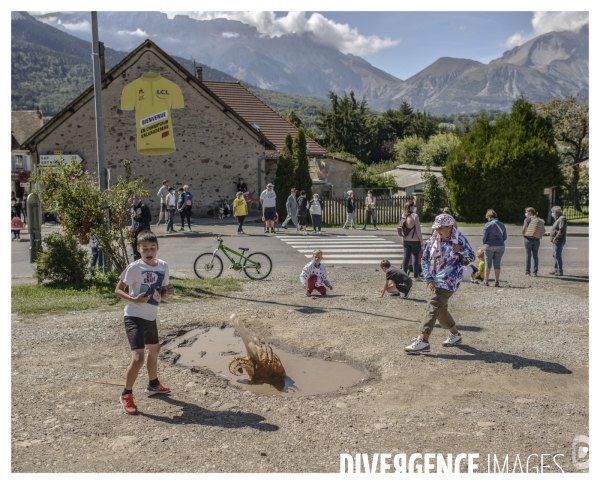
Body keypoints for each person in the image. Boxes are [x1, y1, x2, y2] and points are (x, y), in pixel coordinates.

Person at [114, 230, 175, 415]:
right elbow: (118, 290)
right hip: (134, 316)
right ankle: (126, 394)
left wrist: (166, 293)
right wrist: (134, 300)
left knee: (155, 349)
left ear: (158, 248)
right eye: (145, 248)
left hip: (150, 316)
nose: (149, 252)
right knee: (138, 358)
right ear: (138, 249)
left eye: (152, 248)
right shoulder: (134, 267)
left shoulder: (163, 266)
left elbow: (161, 293)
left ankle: (153, 384)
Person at [404, 213, 475, 353]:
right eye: (436, 228)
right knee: (441, 309)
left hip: (451, 280)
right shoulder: (434, 238)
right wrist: (429, 277)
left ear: (449, 227)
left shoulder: (459, 239)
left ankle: (423, 340)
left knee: (434, 304)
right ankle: (455, 335)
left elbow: (471, 256)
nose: (437, 231)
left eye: (440, 228)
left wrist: (461, 250)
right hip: (437, 278)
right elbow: (424, 259)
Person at [481, 209, 507, 287]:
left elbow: (484, 237)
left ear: (488, 217)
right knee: (497, 263)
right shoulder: (502, 224)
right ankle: (497, 281)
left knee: (488, 263)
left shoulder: (487, 225)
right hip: (500, 245)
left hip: (489, 245)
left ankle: (486, 280)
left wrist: (485, 244)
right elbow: (504, 237)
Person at [399, 200, 423, 279]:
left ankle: (404, 274)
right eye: (413, 206)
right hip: (415, 240)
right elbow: (418, 230)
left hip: (406, 239)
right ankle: (416, 275)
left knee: (406, 257)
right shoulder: (415, 216)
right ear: (411, 207)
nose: (414, 207)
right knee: (415, 258)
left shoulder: (403, 215)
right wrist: (421, 241)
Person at [522, 207, 545, 276]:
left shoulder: (527, 219)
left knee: (528, 255)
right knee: (535, 256)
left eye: (527, 212)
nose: (526, 213)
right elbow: (544, 231)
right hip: (537, 240)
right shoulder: (539, 220)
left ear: (530, 212)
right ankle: (535, 272)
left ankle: (528, 271)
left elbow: (523, 229)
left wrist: (523, 235)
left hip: (528, 239)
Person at [129, 195, 152, 261]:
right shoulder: (133, 206)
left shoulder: (143, 206)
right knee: (135, 248)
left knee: (144, 247)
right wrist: (132, 225)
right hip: (135, 230)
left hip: (143, 231)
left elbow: (148, 219)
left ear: (137, 198)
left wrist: (138, 218)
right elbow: (133, 218)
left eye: (132, 198)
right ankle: (137, 262)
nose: (130, 200)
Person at [549, 206, 568, 276]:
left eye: (553, 212)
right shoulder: (558, 218)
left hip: (558, 240)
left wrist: (556, 238)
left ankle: (560, 271)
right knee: (555, 255)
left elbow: (561, 230)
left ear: (557, 212)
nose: (552, 213)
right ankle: (556, 269)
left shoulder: (562, 219)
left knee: (557, 255)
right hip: (556, 240)